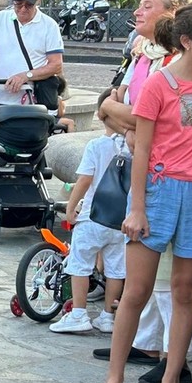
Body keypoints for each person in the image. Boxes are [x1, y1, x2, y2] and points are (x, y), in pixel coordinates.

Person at [91, 0, 192, 383]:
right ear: (188, 41)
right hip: (159, 192)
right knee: (136, 291)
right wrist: (137, 208)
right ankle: (114, 378)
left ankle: (170, 380)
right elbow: (141, 149)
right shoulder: (159, 84)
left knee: (185, 291)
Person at [51, 88, 127, 333]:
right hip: (121, 219)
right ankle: (108, 317)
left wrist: (71, 208)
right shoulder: (133, 147)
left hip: (94, 215)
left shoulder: (96, 146)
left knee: (80, 263)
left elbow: (84, 180)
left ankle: (79, 313)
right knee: (115, 269)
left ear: (100, 115)